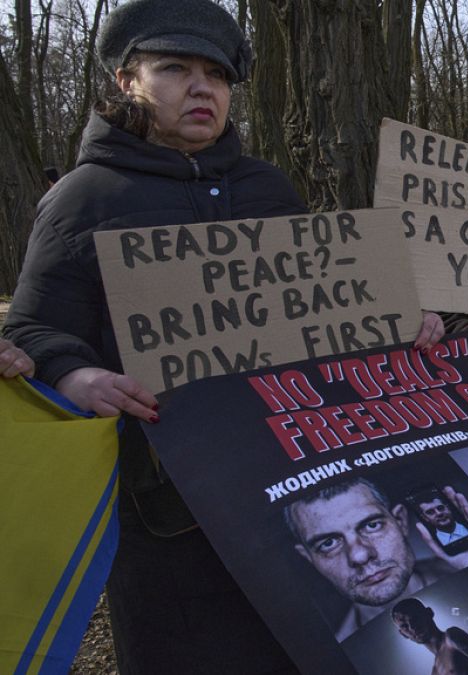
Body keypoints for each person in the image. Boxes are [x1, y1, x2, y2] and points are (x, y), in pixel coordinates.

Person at [1, 1, 443, 669]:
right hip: (168, 517)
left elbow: (325, 319)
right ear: (126, 80)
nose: (202, 88)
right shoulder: (85, 198)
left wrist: (394, 324)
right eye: (174, 68)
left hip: (290, 495)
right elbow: (35, 325)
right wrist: (77, 373)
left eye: (217, 74)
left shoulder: (267, 188)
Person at [284, 478, 468, 640]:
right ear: (309, 558)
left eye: (372, 525)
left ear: (401, 522)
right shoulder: (338, 657)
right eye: (329, 543)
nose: (360, 555)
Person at [391, 598, 468, 675]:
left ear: (429, 613)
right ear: (403, 634)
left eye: (415, 619)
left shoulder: (452, 637)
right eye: (405, 626)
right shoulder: (435, 671)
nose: (412, 627)